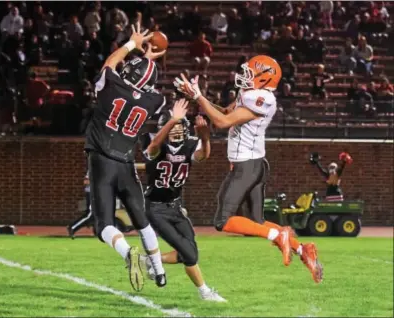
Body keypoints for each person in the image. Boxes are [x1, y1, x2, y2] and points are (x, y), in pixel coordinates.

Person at [174, 55, 323, 284]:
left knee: (222, 221)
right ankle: (304, 250)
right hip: (254, 165)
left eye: (252, 73)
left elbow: (224, 123)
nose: (245, 76)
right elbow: (224, 113)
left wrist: (199, 97)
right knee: (257, 222)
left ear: (265, 79)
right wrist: (197, 97)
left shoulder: (261, 98)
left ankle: (279, 235)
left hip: (247, 167)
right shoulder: (250, 94)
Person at [84, 22, 167, 292]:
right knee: (142, 221)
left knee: (104, 226)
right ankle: (160, 271)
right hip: (127, 164)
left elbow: (111, 62)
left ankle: (128, 254)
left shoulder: (112, 85)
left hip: (102, 160)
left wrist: (133, 43)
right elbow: (150, 87)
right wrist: (150, 57)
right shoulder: (154, 101)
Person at [138, 101, 225, 302]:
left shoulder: (189, 144)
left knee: (191, 252)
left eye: (179, 127)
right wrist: (173, 120)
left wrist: (205, 135)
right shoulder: (153, 142)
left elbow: (203, 156)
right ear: (164, 128)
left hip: (176, 207)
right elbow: (152, 149)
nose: (176, 132)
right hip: (156, 209)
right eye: (172, 127)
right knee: (189, 254)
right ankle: (204, 292)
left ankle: (151, 261)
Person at [67, 170, 94, 239]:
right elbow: (86, 181)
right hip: (92, 194)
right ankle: (72, 227)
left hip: (96, 194)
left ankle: (100, 232)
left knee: (92, 215)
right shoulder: (94, 168)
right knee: (90, 215)